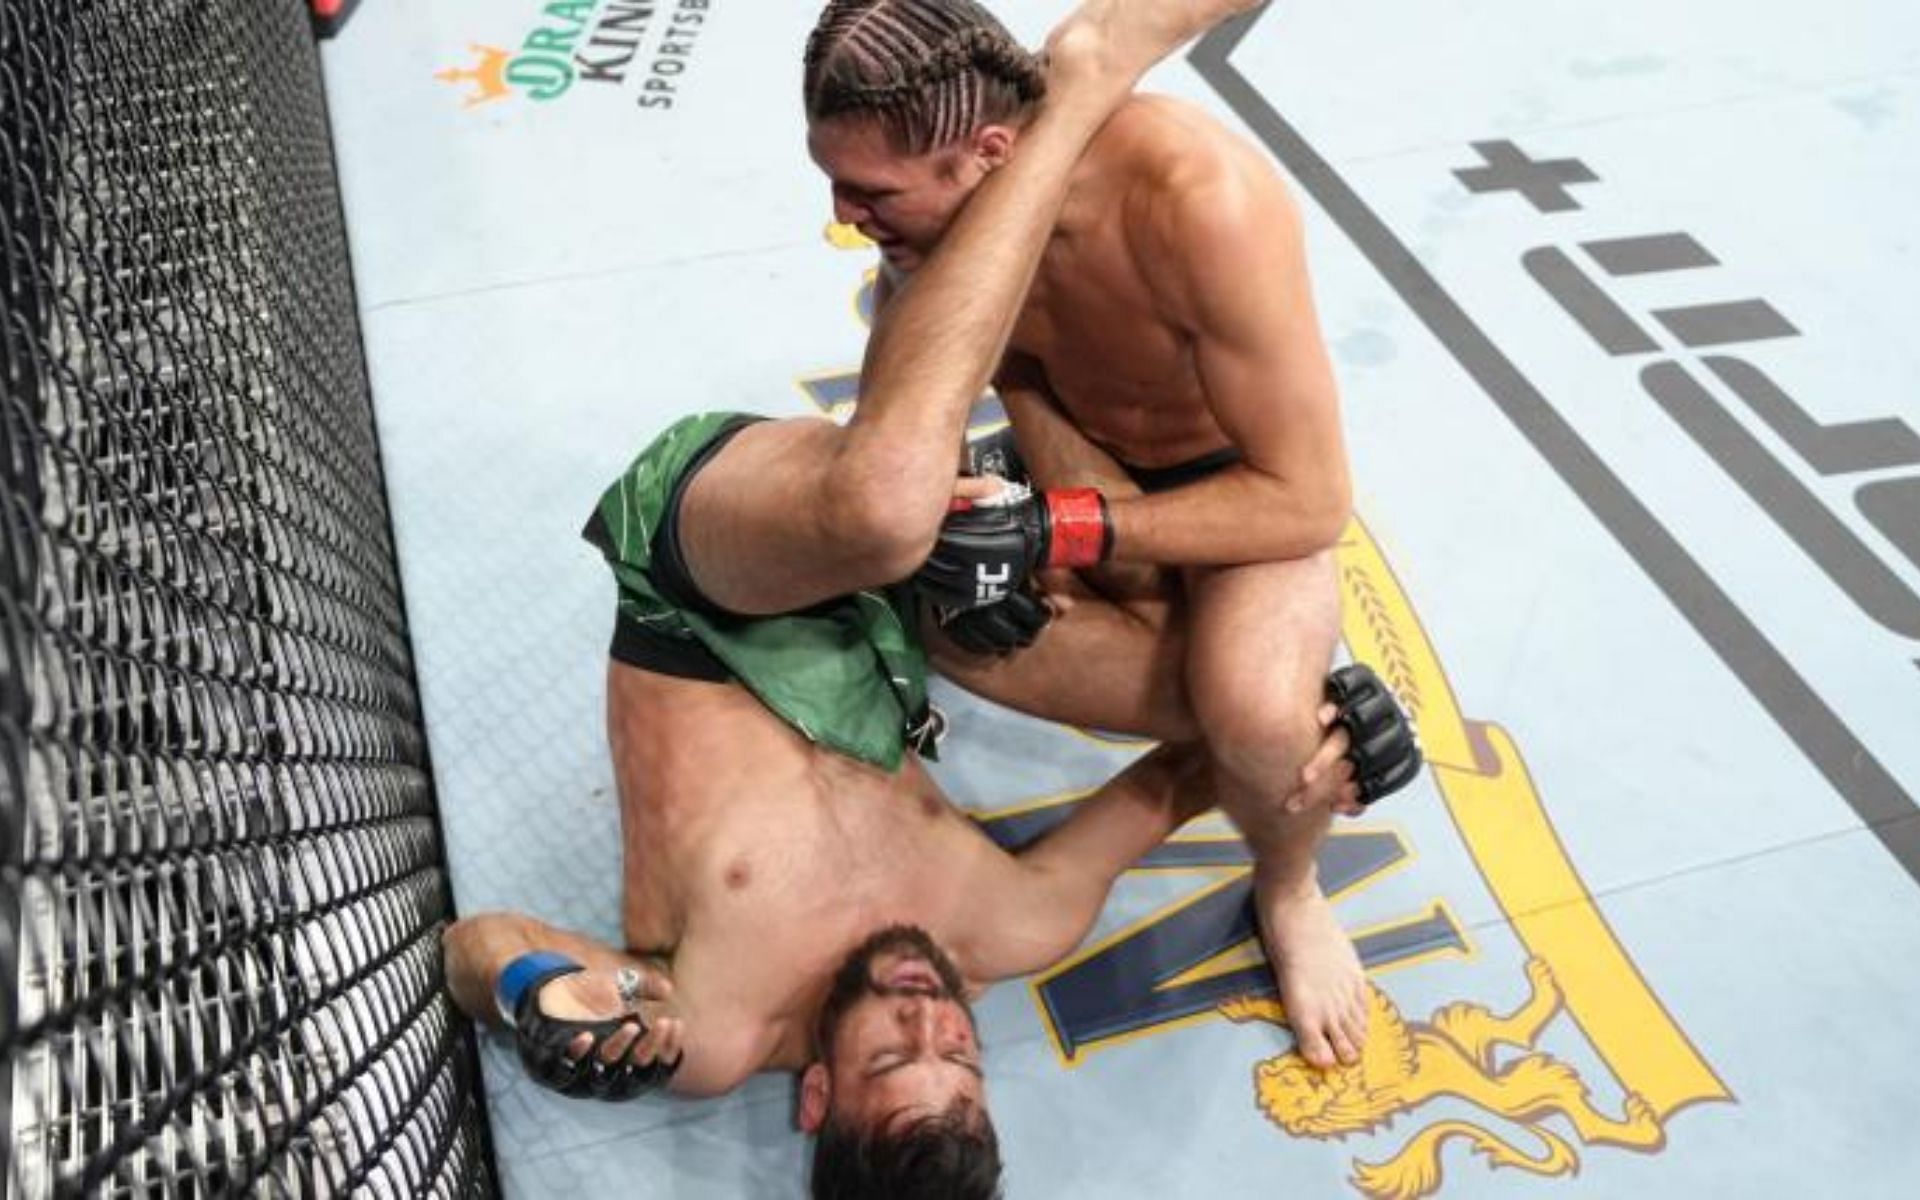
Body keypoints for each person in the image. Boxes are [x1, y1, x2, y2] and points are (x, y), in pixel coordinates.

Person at [441, 3, 1413, 1197]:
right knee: (1255, 719)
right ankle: (1290, 882)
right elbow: (1193, 773)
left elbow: (473, 949)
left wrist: (536, 993)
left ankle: (1083, 86)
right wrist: (1343, 736)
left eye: (893, 1057)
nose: (926, 1017)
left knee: (888, 504)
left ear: (815, 1095)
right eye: (957, 1053)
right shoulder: (1012, 925)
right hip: (907, 604)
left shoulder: (708, 1029)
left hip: (702, 596)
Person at [801, 0, 1413, 1073]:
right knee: (915, 595)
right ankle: (1258, 741)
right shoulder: (940, 229)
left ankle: (1288, 879)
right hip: (1073, 452)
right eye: (835, 181)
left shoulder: (1195, 199)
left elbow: (1308, 501)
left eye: (874, 193)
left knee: (1260, 715)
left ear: (991, 153)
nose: (846, 217)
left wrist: (1059, 526)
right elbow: (915, 430)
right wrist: (975, 517)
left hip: (1243, 495)